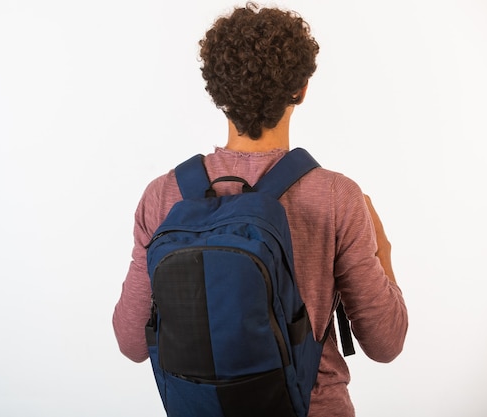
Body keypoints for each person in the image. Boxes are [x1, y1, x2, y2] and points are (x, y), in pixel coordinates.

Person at [112, 3, 408, 416]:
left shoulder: (163, 196)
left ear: (216, 92)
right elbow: (386, 342)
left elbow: (131, 342)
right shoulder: (338, 196)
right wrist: (384, 252)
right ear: (301, 89)